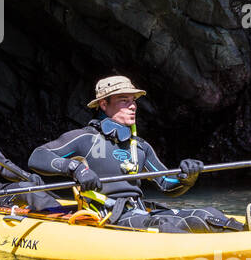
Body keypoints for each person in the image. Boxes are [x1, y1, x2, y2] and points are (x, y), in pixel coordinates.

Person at [28, 76, 234, 232]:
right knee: (166, 223)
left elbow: (167, 184)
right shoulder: (84, 139)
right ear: (103, 104)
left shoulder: (140, 147)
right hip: (108, 216)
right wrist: (75, 168)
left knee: (209, 213)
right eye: (123, 100)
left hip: (139, 210)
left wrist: (187, 177)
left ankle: (245, 237)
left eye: (134, 100)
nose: (133, 105)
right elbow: (37, 157)